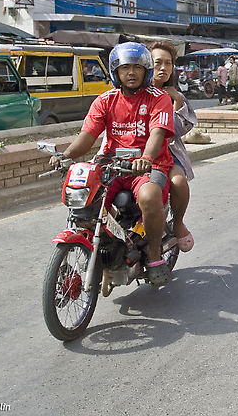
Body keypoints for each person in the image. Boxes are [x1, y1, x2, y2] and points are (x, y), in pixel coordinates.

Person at [48, 42, 175, 287]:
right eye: (124, 67)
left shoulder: (159, 99)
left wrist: (145, 159)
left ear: (145, 70)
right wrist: (66, 156)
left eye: (137, 67)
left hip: (149, 165)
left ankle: (155, 253)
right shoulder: (105, 100)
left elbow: (157, 135)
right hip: (111, 165)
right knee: (87, 201)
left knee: (149, 196)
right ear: (115, 71)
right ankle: (107, 252)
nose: (131, 72)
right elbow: (87, 136)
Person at [149, 41, 196, 254]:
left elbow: (177, 130)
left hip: (166, 153)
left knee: (178, 182)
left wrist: (176, 101)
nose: (163, 68)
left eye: (168, 63)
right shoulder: (130, 91)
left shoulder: (171, 94)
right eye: (158, 62)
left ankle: (177, 222)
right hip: (131, 151)